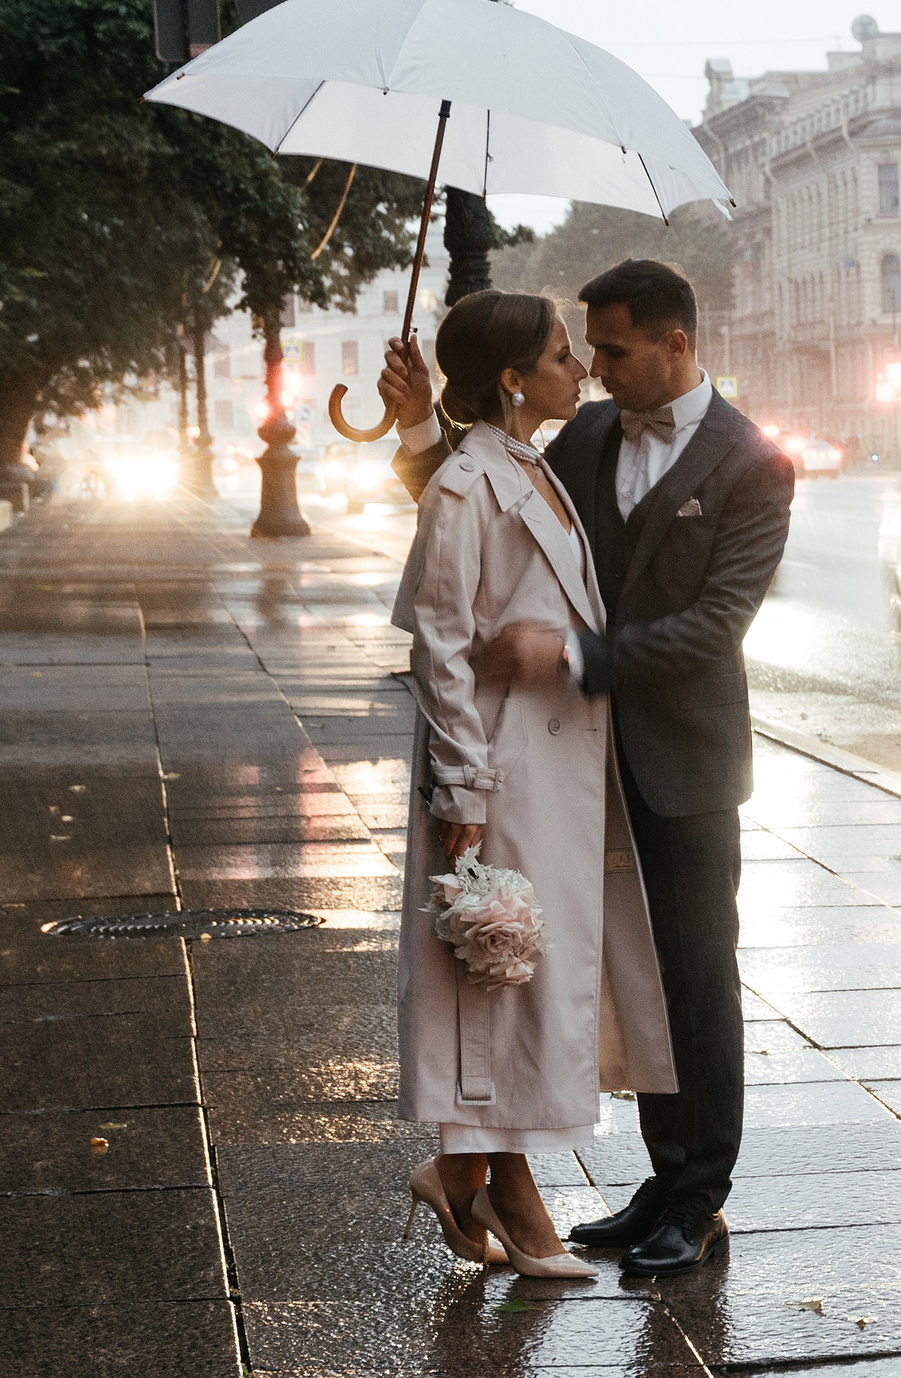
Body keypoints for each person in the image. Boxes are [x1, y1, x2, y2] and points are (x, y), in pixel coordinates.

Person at [380, 258, 795, 1278]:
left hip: (685, 762)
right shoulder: (591, 435)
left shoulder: (752, 461)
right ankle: (656, 1179)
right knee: (633, 978)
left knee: (697, 977)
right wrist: (417, 428)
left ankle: (697, 1197)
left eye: (611, 349)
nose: (598, 371)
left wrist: (570, 657)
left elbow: (712, 628)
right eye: (585, 351)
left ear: (675, 343)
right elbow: (488, 506)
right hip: (582, 765)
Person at [393, 289, 677, 1281]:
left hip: (550, 766)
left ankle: (469, 1170)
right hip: (503, 770)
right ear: (514, 376)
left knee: (524, 973)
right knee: (498, 972)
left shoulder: (528, 465)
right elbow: (437, 642)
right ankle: (496, 1184)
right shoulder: (471, 482)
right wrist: (462, 789)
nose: (582, 369)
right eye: (563, 354)